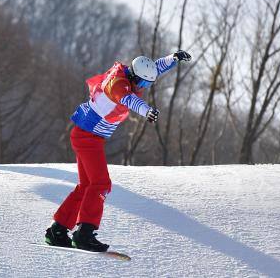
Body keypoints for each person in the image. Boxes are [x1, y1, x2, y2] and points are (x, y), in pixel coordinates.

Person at [44, 50, 192, 252]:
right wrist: (146, 110)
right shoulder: (118, 84)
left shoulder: (131, 75)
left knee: (87, 185)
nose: (144, 88)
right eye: (143, 83)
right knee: (101, 184)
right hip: (88, 137)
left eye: (148, 85)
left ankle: (57, 230)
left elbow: (153, 68)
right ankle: (84, 233)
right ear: (134, 76)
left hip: (86, 135)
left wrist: (172, 59)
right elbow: (129, 100)